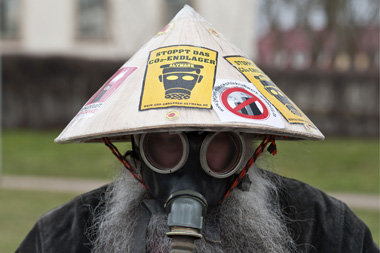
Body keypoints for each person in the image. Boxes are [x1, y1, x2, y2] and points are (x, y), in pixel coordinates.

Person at [17, 6, 378, 253]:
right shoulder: (63, 237)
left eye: (217, 142)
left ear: (247, 145)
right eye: (168, 140)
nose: (190, 168)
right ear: (136, 149)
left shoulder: (326, 230)